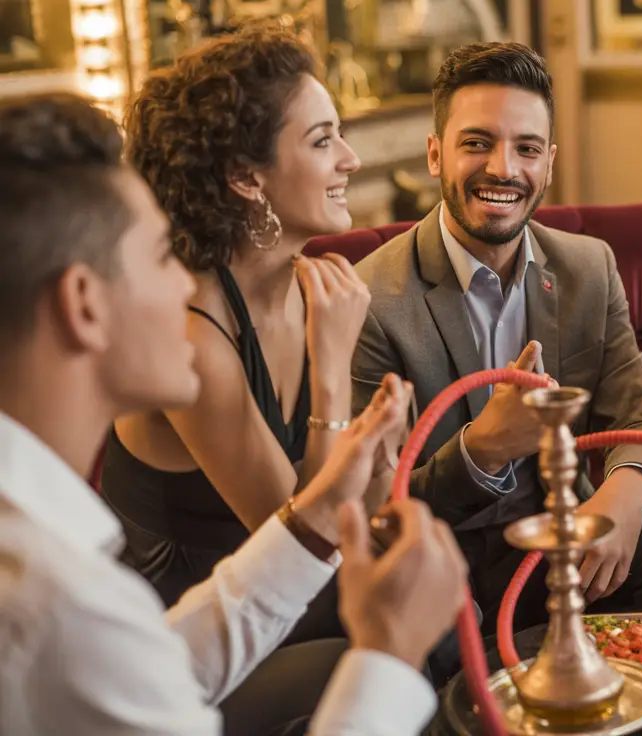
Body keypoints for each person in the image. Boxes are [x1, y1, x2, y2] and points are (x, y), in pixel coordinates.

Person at [0, 92, 466, 736]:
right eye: (162, 256)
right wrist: (386, 656)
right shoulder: (57, 603)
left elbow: (155, 663)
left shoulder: (57, 580)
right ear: (83, 304)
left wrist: (318, 515)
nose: (181, 286)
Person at [351, 41, 642, 629]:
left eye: (525, 149)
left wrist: (619, 502)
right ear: (435, 155)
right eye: (477, 143)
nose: (503, 169)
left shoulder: (588, 267)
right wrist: (482, 450)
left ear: (549, 163)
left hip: (565, 552)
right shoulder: (370, 299)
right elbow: (369, 508)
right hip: (444, 563)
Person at [104, 24, 373, 640]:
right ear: (247, 178)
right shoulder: (192, 333)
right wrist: (332, 372)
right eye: (323, 140)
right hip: (177, 647)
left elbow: (357, 510)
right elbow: (307, 549)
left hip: (275, 615)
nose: (349, 159)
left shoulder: (314, 292)